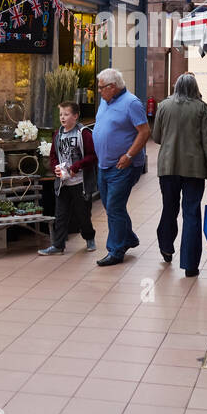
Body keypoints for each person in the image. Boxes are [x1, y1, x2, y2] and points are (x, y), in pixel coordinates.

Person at [152, 72, 207, 277]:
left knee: (169, 208)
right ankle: (190, 265)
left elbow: (156, 137)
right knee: (191, 214)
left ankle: (166, 246)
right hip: (194, 169)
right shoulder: (201, 108)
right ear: (194, 87)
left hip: (168, 168)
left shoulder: (163, 106)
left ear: (176, 87)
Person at [92, 68, 150, 266]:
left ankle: (116, 251)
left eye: (101, 87)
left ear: (112, 87)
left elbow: (144, 132)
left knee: (115, 207)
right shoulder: (105, 101)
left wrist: (129, 155)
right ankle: (128, 238)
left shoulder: (132, 103)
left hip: (124, 165)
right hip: (104, 164)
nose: (98, 91)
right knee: (110, 206)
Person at [38, 101, 97, 256]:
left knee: (83, 215)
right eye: (61, 115)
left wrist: (75, 168)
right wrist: (55, 168)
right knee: (61, 215)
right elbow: (52, 155)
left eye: (66, 114)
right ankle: (58, 245)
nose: (62, 118)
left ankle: (89, 237)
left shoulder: (83, 133)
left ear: (75, 116)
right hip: (62, 183)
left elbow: (92, 156)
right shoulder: (58, 134)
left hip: (79, 183)